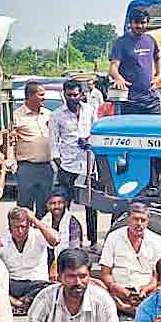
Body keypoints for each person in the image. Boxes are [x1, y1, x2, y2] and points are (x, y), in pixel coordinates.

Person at [50, 78, 98, 246]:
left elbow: (96, 132)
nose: (72, 98)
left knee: (91, 205)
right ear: (64, 95)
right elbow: (53, 142)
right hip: (67, 166)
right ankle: (64, 239)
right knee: (64, 205)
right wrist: (59, 162)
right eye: (69, 95)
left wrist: (89, 141)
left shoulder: (90, 110)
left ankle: (93, 242)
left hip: (87, 165)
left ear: (81, 95)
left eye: (75, 95)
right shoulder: (57, 115)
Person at [99, 202, 161, 315]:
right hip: (118, 291)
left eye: (143, 220)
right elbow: (105, 273)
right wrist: (116, 287)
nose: (139, 224)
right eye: (135, 219)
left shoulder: (157, 240)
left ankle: (131, 308)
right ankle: (123, 306)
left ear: (147, 221)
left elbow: (158, 277)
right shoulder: (113, 237)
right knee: (94, 286)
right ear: (128, 219)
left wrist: (147, 288)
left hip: (146, 293)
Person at [0, 206, 60, 314]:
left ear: (29, 226)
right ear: (9, 228)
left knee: (54, 288)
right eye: (16, 227)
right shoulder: (2, 239)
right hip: (13, 284)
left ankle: (20, 303)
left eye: (23, 227)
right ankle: (20, 304)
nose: (20, 231)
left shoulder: (37, 235)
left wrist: (34, 220)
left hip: (36, 283)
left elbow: (55, 240)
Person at [109, 7, 161, 115]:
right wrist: (118, 78)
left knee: (155, 128)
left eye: (143, 23)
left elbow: (158, 58)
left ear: (147, 23)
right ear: (130, 23)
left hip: (151, 98)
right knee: (130, 130)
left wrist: (159, 76)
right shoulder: (121, 42)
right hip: (130, 100)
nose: (139, 26)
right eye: (136, 23)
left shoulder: (151, 40)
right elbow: (113, 68)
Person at [12, 80, 54, 218]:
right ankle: (24, 236)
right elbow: (10, 142)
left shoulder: (49, 115)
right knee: (24, 208)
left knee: (46, 207)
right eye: (41, 94)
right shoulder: (16, 117)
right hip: (27, 168)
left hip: (46, 168)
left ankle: (42, 237)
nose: (44, 98)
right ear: (30, 96)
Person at [44, 188, 82, 274]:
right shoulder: (43, 222)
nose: (56, 206)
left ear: (65, 204)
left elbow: (74, 249)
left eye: (60, 203)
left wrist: (56, 264)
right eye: (53, 203)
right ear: (47, 205)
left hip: (68, 262)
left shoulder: (72, 222)